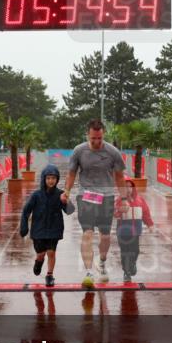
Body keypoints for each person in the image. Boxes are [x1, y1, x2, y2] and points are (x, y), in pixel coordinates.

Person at [62, 119, 126, 289]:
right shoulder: (79, 151)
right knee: (88, 233)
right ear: (87, 135)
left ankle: (102, 263)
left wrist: (124, 199)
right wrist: (66, 192)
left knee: (105, 235)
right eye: (93, 139)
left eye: (99, 138)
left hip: (107, 196)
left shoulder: (113, 152)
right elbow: (71, 173)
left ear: (103, 134)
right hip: (87, 195)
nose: (97, 142)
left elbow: (119, 177)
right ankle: (89, 272)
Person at [19, 164, 75, 287]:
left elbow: (70, 211)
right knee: (41, 254)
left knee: (51, 253)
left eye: (53, 178)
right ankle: (39, 262)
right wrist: (24, 226)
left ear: (57, 179)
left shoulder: (61, 194)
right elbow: (26, 211)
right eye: (48, 178)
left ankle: (49, 275)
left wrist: (66, 201)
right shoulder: (36, 195)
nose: (51, 181)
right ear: (44, 179)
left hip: (54, 229)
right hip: (38, 230)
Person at [114, 178, 154, 284]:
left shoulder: (140, 200)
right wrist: (119, 210)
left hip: (135, 232)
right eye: (125, 187)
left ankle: (132, 265)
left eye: (130, 186)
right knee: (125, 252)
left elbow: (146, 213)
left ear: (133, 188)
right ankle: (126, 273)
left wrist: (150, 224)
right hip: (122, 232)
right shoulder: (119, 200)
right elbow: (114, 213)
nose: (128, 189)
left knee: (135, 251)